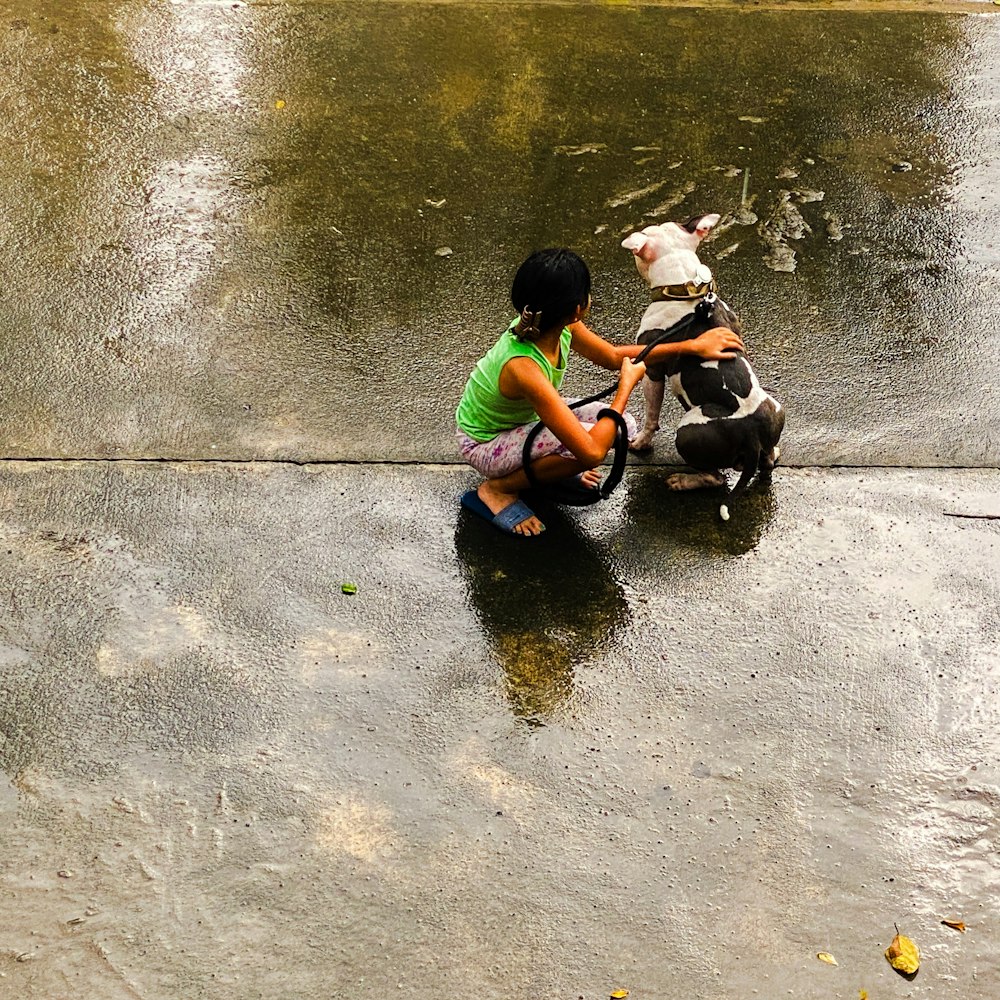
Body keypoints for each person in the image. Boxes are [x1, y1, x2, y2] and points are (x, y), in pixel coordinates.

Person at [455, 248, 744, 537]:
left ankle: (544, 469)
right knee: (587, 449)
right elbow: (592, 453)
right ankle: (497, 489)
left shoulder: (552, 325)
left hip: (521, 421)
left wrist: (691, 346)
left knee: (622, 429)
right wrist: (625, 388)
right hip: (485, 442)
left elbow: (612, 356)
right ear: (580, 306)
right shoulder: (523, 367)